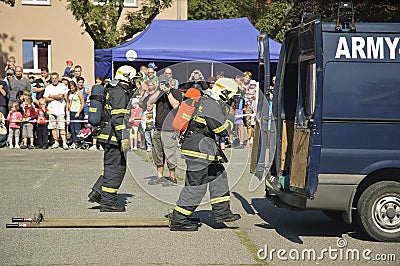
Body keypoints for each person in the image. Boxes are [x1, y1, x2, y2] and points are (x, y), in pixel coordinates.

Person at [170, 87, 241, 231]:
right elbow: (222, 130)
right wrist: (230, 117)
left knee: (218, 176)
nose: (230, 103)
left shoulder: (206, 102)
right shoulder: (210, 104)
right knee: (196, 186)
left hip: (204, 149)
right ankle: (179, 219)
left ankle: (222, 212)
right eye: (230, 99)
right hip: (198, 151)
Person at [87, 65, 136, 212]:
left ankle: (98, 192)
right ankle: (108, 202)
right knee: (116, 169)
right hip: (113, 137)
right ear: (127, 78)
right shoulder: (120, 92)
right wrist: (124, 138)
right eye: (133, 79)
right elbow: (118, 117)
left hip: (108, 135)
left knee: (112, 167)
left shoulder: (113, 89)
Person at [147, 74, 182, 186]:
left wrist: (168, 92)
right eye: (161, 83)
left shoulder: (176, 92)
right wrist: (159, 91)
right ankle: (160, 176)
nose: (163, 85)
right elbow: (150, 102)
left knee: (170, 153)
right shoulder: (158, 93)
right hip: (158, 127)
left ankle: (172, 177)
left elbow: (176, 105)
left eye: (165, 82)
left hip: (169, 128)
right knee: (157, 153)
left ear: (170, 82)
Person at [44, 72, 69, 150]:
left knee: (62, 127)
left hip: (60, 110)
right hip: (51, 110)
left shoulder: (62, 86)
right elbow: (45, 98)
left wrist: (51, 96)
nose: (54, 80)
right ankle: (56, 142)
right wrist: (55, 97)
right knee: (53, 127)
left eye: (55, 78)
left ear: (58, 79)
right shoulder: (48, 87)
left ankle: (64, 142)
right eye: (53, 78)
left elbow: (61, 96)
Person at [66, 80, 84, 149]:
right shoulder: (69, 93)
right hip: (71, 111)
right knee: (72, 128)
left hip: (77, 111)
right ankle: (74, 141)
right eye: (70, 88)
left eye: (73, 88)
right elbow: (67, 102)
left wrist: (79, 112)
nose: (71, 89)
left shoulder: (79, 93)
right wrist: (67, 112)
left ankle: (78, 142)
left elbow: (82, 103)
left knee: (77, 128)